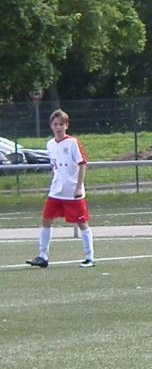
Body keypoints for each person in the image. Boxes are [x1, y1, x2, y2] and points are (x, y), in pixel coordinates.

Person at [25, 109, 95, 268]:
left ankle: (89, 257)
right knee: (46, 219)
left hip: (72, 191)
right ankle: (42, 256)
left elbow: (82, 164)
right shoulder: (50, 144)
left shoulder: (73, 143)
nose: (58, 127)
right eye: (55, 124)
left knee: (82, 222)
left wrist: (78, 187)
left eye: (61, 124)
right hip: (56, 191)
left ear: (66, 125)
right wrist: (52, 184)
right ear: (51, 125)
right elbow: (54, 166)